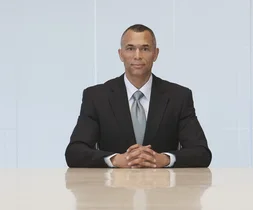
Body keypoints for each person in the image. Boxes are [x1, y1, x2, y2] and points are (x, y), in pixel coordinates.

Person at [65, 24, 212, 168]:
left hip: (163, 190)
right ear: (120, 54)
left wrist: (165, 159)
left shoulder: (178, 97)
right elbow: (74, 153)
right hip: (112, 190)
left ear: (156, 54)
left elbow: (201, 153)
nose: (137, 56)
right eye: (130, 48)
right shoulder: (96, 97)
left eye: (145, 49)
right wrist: (115, 160)